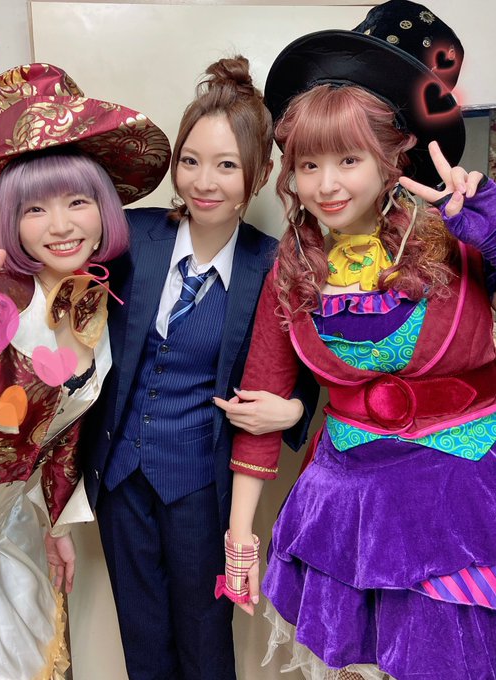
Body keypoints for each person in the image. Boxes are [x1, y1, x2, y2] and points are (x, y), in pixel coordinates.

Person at [217, 2, 496, 679]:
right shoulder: (293, 265)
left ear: (392, 156)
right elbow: (259, 399)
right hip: (347, 511)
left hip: (460, 498)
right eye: (308, 165)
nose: (327, 185)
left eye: (348, 159)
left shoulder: (457, 234)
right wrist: (239, 539)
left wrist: (489, 232)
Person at [0, 63, 169, 680]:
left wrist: (57, 523)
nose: (61, 226)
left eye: (78, 201)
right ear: (9, 220)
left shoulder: (98, 303)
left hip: (12, 530)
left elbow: (64, 436)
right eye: (34, 209)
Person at [79, 55, 319, 680]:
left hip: (202, 486)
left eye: (226, 165)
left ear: (258, 176)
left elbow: (317, 365)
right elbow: (52, 277)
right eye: (190, 161)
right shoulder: (131, 237)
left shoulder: (272, 266)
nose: (203, 181)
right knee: (141, 638)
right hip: (120, 476)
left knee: (206, 643)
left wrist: (293, 408)